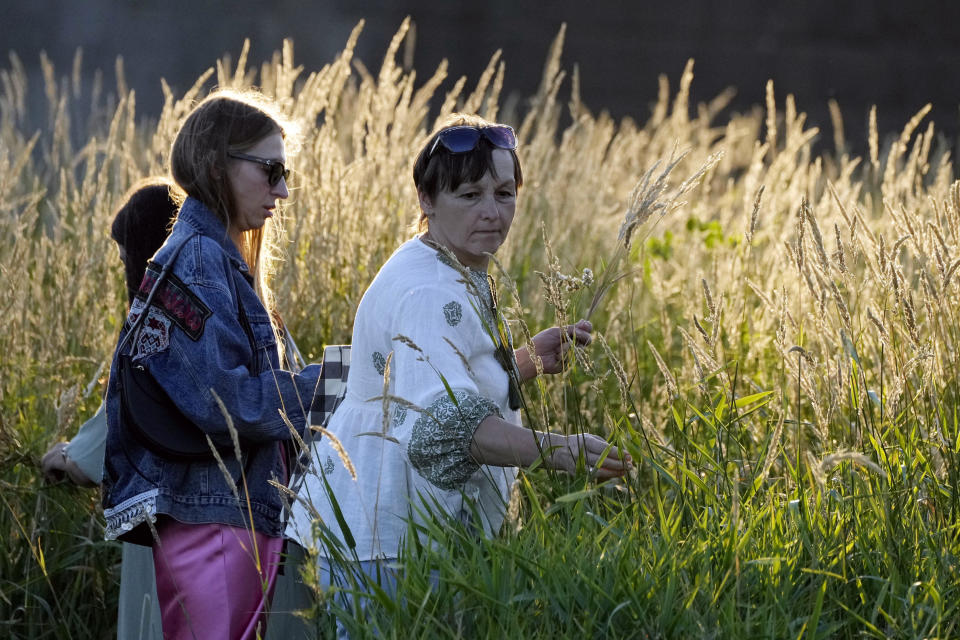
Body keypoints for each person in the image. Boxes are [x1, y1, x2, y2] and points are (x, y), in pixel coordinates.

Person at [289, 114, 631, 631]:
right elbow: (450, 428)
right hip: (393, 543)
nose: (493, 212)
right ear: (426, 201)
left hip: (392, 534)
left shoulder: (447, 263)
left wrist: (521, 363)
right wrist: (563, 450)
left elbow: (422, 384)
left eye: (504, 193)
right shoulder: (430, 291)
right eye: (470, 196)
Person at [101, 91, 323, 640]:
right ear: (216, 164)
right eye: (270, 170)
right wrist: (334, 382)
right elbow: (225, 402)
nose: (283, 189)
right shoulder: (198, 257)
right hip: (211, 517)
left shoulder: (213, 255)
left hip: (228, 511)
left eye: (285, 171)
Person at [41, 178, 179, 640]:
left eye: (125, 255)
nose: (121, 266)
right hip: (249, 529)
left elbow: (105, 440)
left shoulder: (151, 327)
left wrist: (63, 456)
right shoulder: (246, 300)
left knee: (154, 621)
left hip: (162, 524)